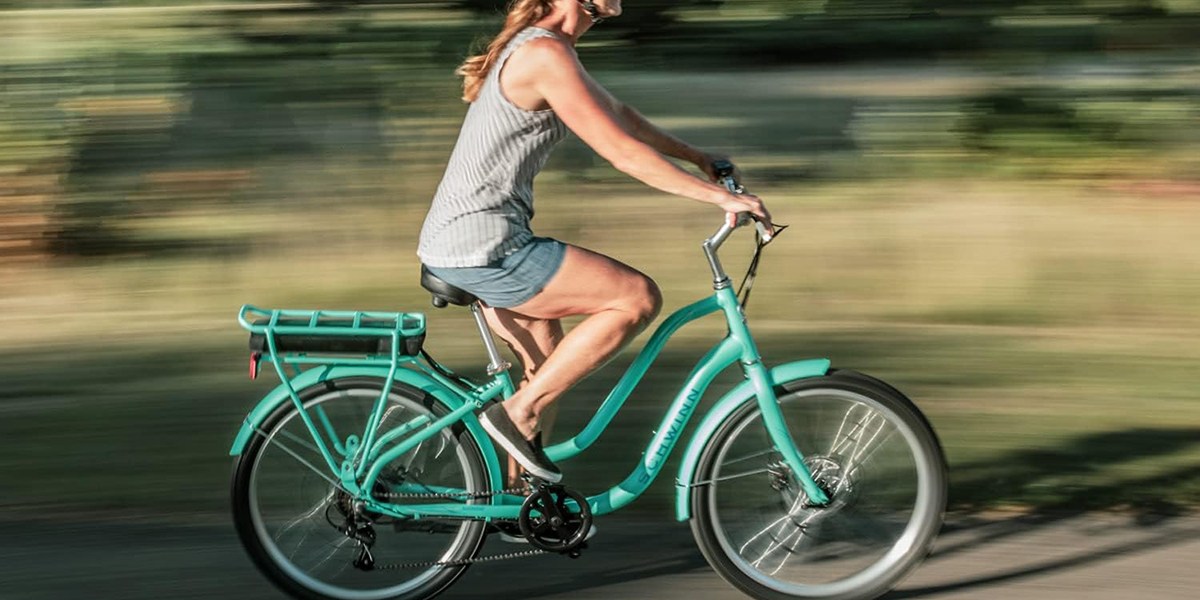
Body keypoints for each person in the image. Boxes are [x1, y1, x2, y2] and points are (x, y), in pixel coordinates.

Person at [417, 0, 773, 487]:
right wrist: (718, 198)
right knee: (634, 298)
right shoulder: (544, 53)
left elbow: (619, 115)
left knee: (545, 367)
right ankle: (515, 414)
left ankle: (516, 500)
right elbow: (621, 152)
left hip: (474, 239)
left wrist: (697, 157)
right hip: (485, 244)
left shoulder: (551, 48)